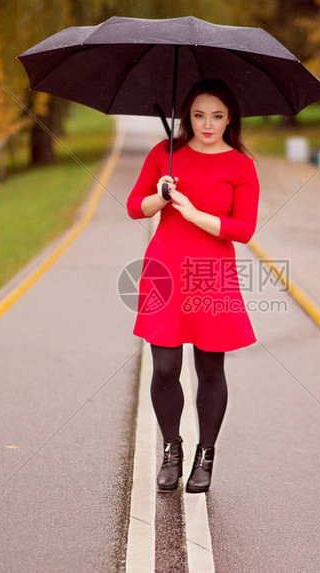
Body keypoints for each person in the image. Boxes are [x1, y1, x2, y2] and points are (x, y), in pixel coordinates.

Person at [125, 78, 260, 494]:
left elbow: (244, 228)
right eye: (199, 115)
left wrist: (196, 214)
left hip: (211, 273)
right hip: (164, 270)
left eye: (217, 116)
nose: (207, 124)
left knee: (209, 368)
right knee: (164, 367)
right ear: (187, 115)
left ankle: (206, 455)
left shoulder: (240, 165)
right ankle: (172, 449)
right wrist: (162, 198)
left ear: (230, 118)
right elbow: (135, 207)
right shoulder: (164, 156)